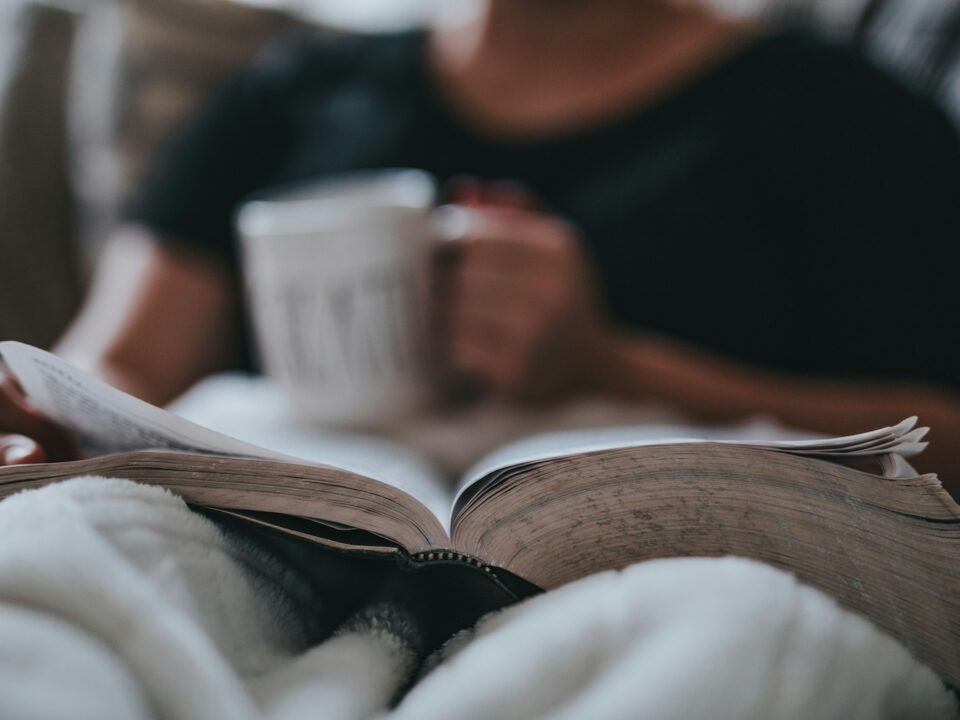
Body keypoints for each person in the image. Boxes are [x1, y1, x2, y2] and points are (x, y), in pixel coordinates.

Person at [1, 0, 959, 490]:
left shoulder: (831, 111)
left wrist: (609, 364)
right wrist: (42, 418)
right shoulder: (284, 97)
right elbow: (119, 358)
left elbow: (941, 437)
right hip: (266, 551)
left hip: (654, 578)